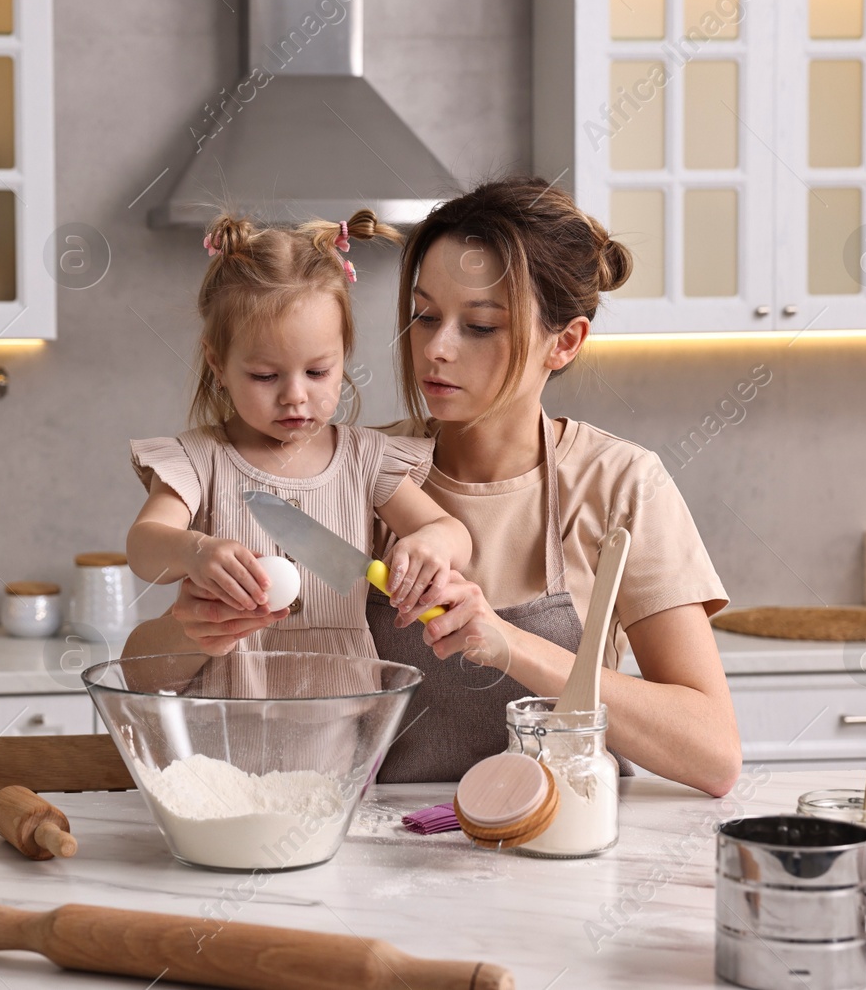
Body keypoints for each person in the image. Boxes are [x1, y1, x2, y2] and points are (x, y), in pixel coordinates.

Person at [128, 178, 742, 798]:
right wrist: (196, 627)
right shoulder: (346, 468)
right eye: (423, 316)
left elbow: (714, 755)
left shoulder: (620, 485)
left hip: (556, 842)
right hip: (375, 844)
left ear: (565, 343)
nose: (436, 349)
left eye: (479, 326)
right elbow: (143, 669)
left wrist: (511, 647)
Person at [125, 209, 472, 663]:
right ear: (218, 365)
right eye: (265, 376)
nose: (295, 396)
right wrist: (195, 551)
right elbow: (143, 547)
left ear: (343, 357)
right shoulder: (198, 460)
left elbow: (452, 532)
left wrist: (432, 545)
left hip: (342, 720)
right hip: (232, 721)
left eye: (317, 371)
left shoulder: (365, 461)